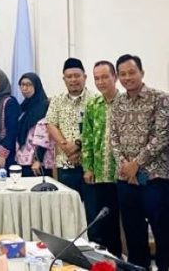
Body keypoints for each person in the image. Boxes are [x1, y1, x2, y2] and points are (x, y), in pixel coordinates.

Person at [109, 54, 169, 271]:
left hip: (155, 178)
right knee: (133, 234)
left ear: (142, 73)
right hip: (126, 179)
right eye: (123, 74)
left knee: (163, 232)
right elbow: (113, 138)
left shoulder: (160, 99)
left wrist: (136, 164)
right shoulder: (118, 103)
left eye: (132, 72)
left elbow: (162, 135)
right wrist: (125, 166)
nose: (127, 77)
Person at [81, 61, 122, 258]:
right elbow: (87, 138)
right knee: (102, 222)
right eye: (97, 78)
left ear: (115, 77)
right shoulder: (92, 105)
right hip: (99, 174)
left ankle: (121, 261)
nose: (101, 82)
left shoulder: (125, 103)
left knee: (124, 221)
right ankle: (105, 262)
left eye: (105, 77)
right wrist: (88, 168)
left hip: (121, 174)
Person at [46, 58, 95, 196]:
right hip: (65, 162)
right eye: (69, 76)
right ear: (64, 79)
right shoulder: (57, 100)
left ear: (85, 77)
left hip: (90, 165)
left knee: (90, 205)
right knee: (68, 205)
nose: (73, 79)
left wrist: (78, 145)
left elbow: (98, 129)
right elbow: (51, 124)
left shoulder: (95, 100)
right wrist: (67, 147)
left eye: (77, 75)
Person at [14, 73, 54, 177]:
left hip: (38, 163)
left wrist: (38, 160)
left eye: (29, 84)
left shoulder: (45, 106)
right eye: (22, 84)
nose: (24, 88)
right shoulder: (24, 107)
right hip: (23, 159)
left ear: (36, 86)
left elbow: (46, 135)